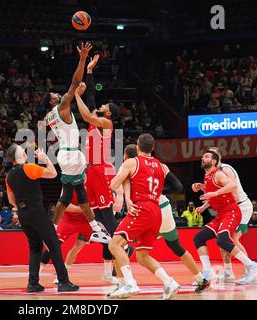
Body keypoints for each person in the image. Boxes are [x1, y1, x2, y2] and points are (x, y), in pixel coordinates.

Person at [43, 42, 109, 244]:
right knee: (72, 194)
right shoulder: (62, 106)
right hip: (71, 154)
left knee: (75, 194)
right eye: (55, 94)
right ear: (53, 101)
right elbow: (74, 82)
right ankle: (54, 229)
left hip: (66, 154)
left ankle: (93, 229)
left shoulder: (49, 116)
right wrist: (82, 59)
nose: (58, 93)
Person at [122, 144, 209, 294]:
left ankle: (124, 281)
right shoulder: (158, 165)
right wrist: (158, 191)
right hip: (165, 208)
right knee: (177, 247)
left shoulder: (131, 167)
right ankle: (201, 279)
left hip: (150, 213)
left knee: (123, 243)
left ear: (127, 157)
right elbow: (177, 186)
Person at [107, 134, 179, 299]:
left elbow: (113, 184)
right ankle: (169, 282)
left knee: (114, 245)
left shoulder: (132, 162)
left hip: (142, 209)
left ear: (137, 147)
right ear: (153, 148)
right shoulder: (162, 166)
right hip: (156, 210)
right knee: (142, 255)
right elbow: (176, 186)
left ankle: (130, 283)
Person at [73, 55, 123, 283]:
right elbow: (92, 97)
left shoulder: (106, 123)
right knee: (97, 216)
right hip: (89, 172)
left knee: (107, 217)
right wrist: (90, 71)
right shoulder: (96, 119)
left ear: (109, 113)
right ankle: (107, 254)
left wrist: (75, 95)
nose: (100, 105)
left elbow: (84, 111)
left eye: (104, 106)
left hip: (100, 171)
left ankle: (122, 250)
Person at [5, 144, 78, 293]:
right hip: (37, 211)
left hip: (23, 213)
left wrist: (23, 205)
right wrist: (45, 159)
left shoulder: (9, 175)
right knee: (54, 245)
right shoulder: (28, 168)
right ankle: (63, 282)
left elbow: (11, 200)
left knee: (35, 247)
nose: (25, 152)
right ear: (20, 156)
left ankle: (33, 284)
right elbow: (52, 173)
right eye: (22, 150)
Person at [192, 150, 257, 286]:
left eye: (207, 156)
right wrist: (203, 191)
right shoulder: (207, 176)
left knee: (226, 239)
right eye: (203, 155)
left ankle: (251, 267)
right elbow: (213, 192)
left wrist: (215, 193)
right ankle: (208, 272)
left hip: (235, 209)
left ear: (214, 160)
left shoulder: (221, 171)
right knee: (199, 238)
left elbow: (232, 186)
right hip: (223, 213)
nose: (203, 157)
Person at [205, 147, 255, 283]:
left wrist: (229, 209)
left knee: (233, 238)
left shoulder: (225, 170)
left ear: (217, 157)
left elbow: (234, 191)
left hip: (240, 206)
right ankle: (228, 273)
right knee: (223, 240)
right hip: (230, 208)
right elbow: (217, 195)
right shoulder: (213, 173)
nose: (207, 157)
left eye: (211, 154)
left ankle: (251, 271)